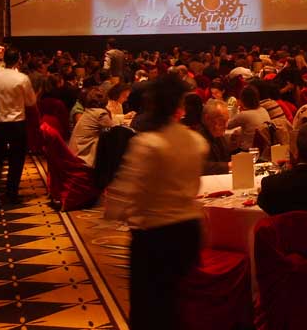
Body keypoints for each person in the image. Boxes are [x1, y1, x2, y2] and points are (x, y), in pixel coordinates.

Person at [105, 74, 208, 330]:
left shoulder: (147, 144)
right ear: (179, 107)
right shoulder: (196, 142)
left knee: (148, 308)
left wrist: (116, 213)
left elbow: (122, 194)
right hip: (189, 231)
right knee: (178, 303)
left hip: (154, 235)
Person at [0, 47, 37, 208]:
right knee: (17, 158)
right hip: (16, 123)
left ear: (4, 60)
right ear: (18, 60)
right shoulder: (22, 78)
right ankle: (11, 193)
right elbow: (31, 102)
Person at [68, 87, 114, 169]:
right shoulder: (100, 113)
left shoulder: (89, 110)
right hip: (82, 157)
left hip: (73, 153)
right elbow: (114, 131)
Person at [227, 84, 270, 154]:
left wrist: (235, 106)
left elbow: (228, 125)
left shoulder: (245, 114)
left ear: (243, 100)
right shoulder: (263, 110)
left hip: (247, 151)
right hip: (264, 150)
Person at [197, 99, 232, 175]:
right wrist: (228, 166)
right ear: (207, 119)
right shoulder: (198, 138)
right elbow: (200, 166)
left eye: (227, 121)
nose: (226, 125)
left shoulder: (218, 135)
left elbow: (226, 158)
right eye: (222, 120)